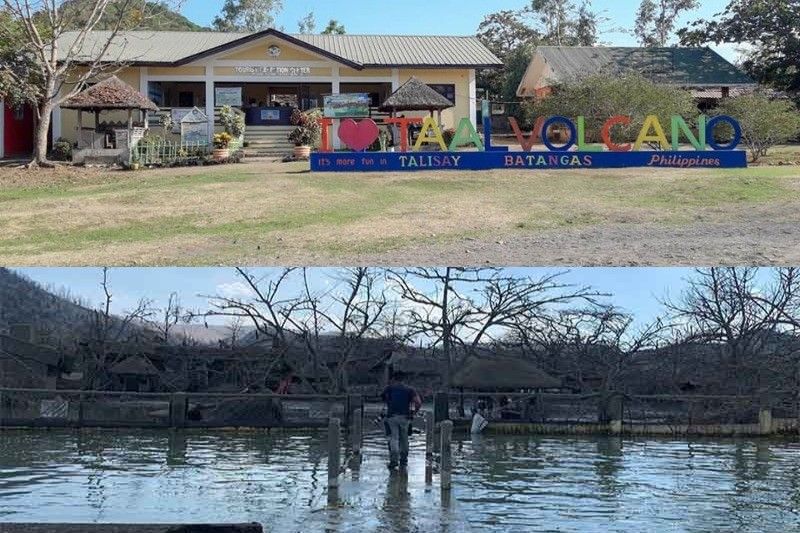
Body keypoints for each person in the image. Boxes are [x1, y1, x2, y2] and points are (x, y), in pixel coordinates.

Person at [381, 371, 422, 469]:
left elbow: (383, 397)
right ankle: (403, 461)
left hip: (391, 416)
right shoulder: (410, 390)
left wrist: (389, 403)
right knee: (404, 439)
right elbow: (418, 402)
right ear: (404, 379)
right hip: (405, 417)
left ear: (393, 379)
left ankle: (393, 461)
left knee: (394, 438)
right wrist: (414, 412)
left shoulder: (389, 388)